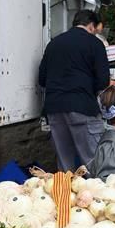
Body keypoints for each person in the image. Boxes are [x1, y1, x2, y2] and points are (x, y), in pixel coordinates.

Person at [38, 9, 110, 172]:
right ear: (91, 26)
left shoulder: (53, 43)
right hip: (82, 107)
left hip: (54, 109)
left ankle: (65, 196)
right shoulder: (95, 43)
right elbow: (103, 81)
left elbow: (42, 78)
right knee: (94, 163)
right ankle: (97, 195)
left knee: (65, 167)